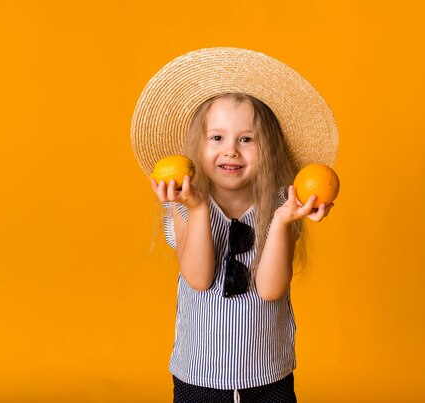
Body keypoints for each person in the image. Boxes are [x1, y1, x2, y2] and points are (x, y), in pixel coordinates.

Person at [131, 48, 339, 403]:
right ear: (198, 145)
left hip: (268, 374)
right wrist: (197, 210)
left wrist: (283, 220)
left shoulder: (280, 204)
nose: (231, 151)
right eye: (217, 138)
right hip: (200, 375)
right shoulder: (183, 204)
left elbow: (271, 289)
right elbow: (198, 278)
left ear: (269, 148)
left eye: (246, 139)